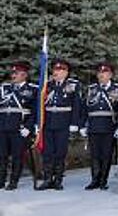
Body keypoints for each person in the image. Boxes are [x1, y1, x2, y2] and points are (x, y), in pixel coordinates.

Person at [36, 59, 81, 191]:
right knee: (47, 152)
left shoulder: (73, 85)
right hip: (48, 122)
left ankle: (58, 180)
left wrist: (74, 123)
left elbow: (76, 105)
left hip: (63, 123)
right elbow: (40, 105)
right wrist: (38, 123)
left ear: (66, 72)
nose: (57, 72)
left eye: (60, 70)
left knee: (60, 152)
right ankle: (47, 179)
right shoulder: (47, 85)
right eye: (55, 70)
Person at [80, 61, 118, 190]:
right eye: (99, 72)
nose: (101, 75)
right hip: (94, 126)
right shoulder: (91, 89)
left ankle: (103, 180)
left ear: (110, 74)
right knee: (94, 155)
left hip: (109, 127)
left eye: (104, 72)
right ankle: (94, 180)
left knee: (106, 155)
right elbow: (84, 109)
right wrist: (83, 125)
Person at [0, 61, 38, 190]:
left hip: (19, 128)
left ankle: (13, 181)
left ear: (24, 75)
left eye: (16, 73)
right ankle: (1, 180)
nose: (13, 75)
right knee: (2, 155)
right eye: (13, 73)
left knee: (17, 156)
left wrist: (29, 127)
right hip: (3, 127)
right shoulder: (4, 88)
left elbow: (35, 112)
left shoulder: (32, 89)